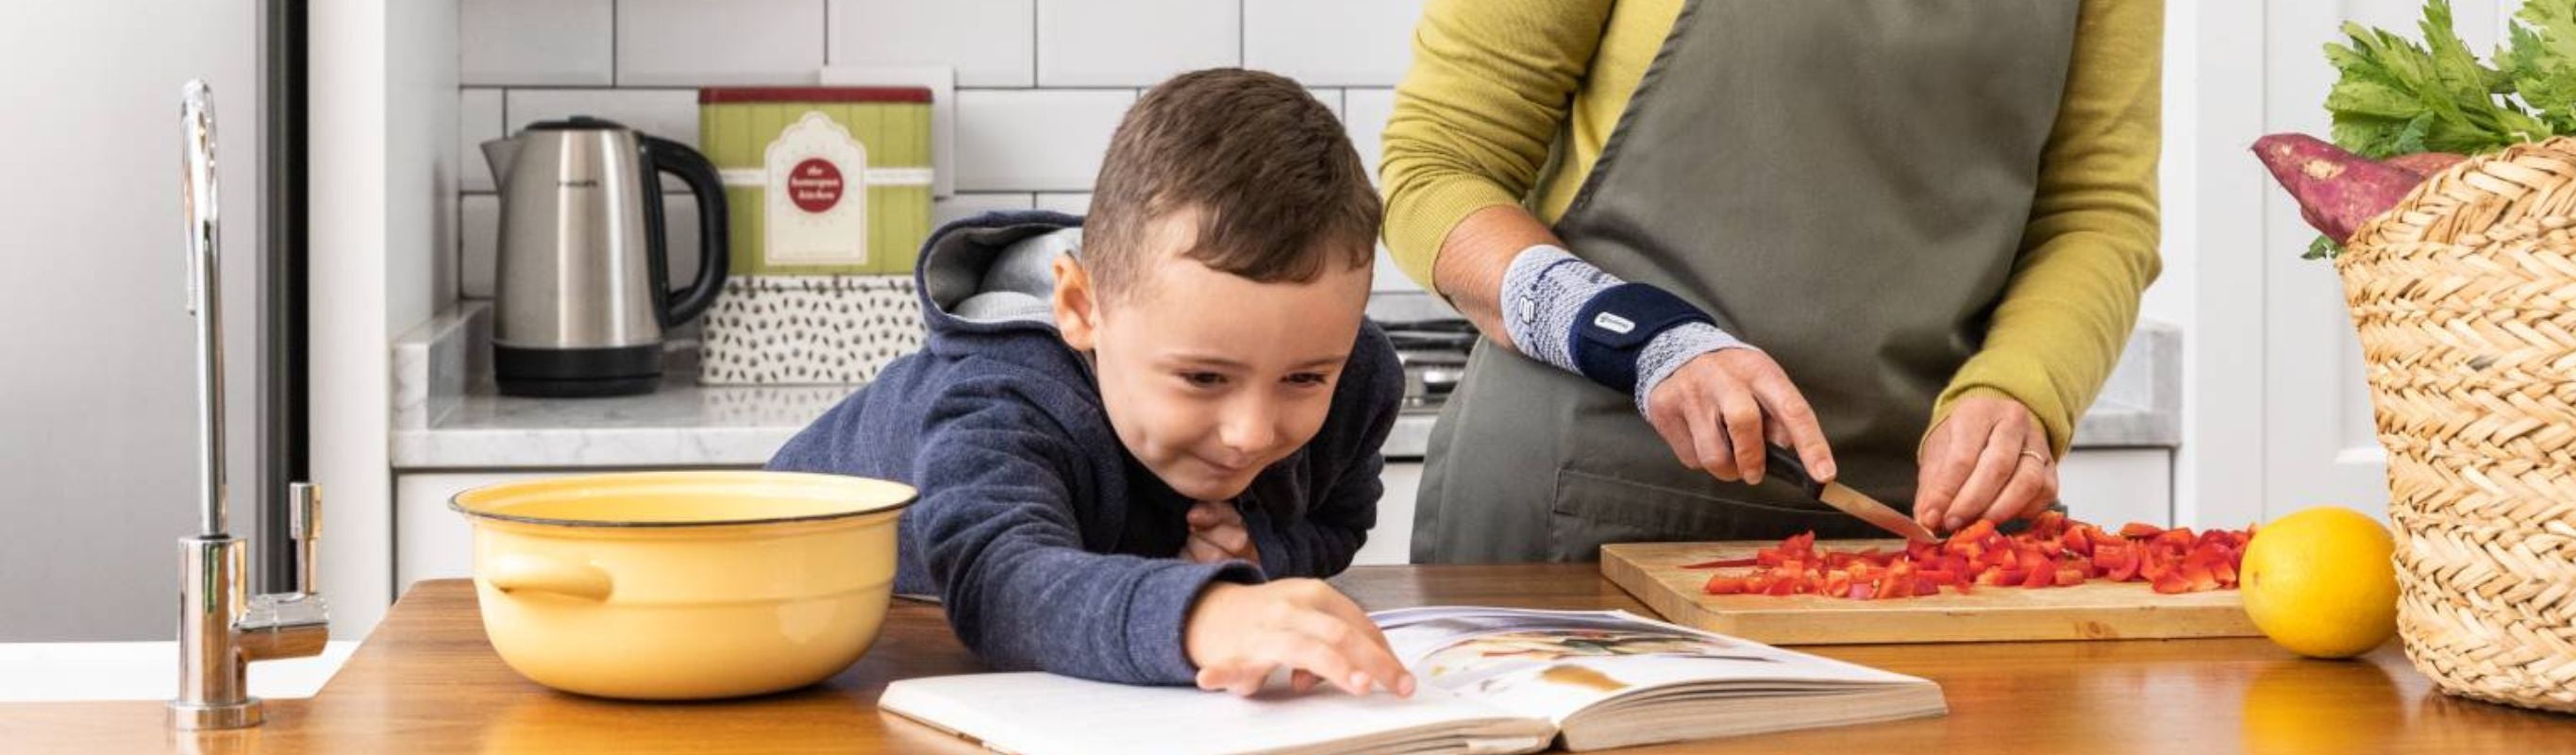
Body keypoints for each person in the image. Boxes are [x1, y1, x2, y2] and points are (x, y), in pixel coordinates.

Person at [1382, 0, 2164, 561]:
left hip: (1925, 531)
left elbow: (2095, 211)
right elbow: (1438, 171)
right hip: (1591, 498)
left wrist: (2024, 389)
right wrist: (1645, 339)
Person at [770, 68, 1413, 698]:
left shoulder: (1358, 377)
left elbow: (1339, 521)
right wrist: (1202, 614)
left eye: (1304, 378)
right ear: (1081, 309)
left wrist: (1261, 548)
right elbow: (1001, 583)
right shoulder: (1005, 396)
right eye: (1203, 377)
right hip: (784, 603)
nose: (1251, 433)